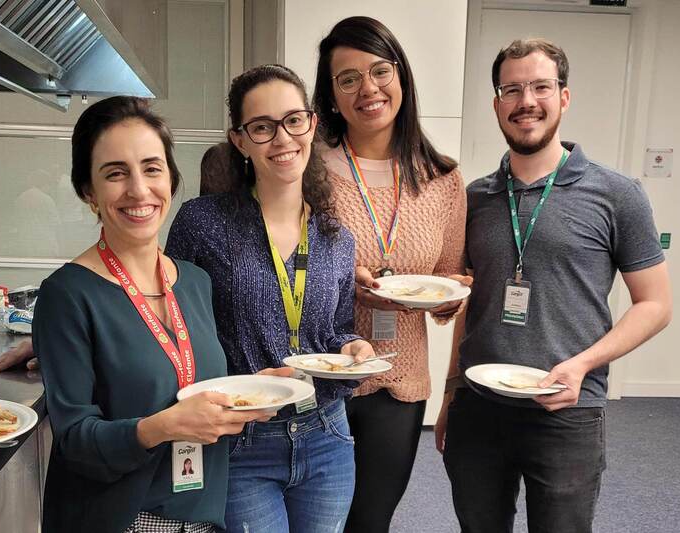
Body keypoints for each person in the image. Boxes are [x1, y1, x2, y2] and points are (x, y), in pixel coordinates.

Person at [435, 38, 673, 533]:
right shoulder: (474, 198)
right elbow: (467, 304)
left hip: (567, 409)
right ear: (496, 103)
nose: (526, 101)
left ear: (564, 97)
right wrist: (450, 396)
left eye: (541, 86)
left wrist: (584, 364)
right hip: (478, 409)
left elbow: (656, 304)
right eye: (512, 89)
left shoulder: (617, 195)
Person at [32, 96, 272, 533]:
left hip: (203, 517)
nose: (139, 190)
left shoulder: (195, 282)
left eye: (151, 168)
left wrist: (256, 388)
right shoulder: (66, 295)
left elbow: (194, 382)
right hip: (123, 520)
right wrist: (157, 428)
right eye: (116, 173)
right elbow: (74, 439)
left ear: (172, 179)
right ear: (89, 192)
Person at [165, 64, 374, 533]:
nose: (282, 138)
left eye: (293, 120)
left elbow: (335, 329)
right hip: (243, 437)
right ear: (239, 140)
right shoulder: (202, 222)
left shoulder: (336, 237)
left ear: (312, 124)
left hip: (327, 433)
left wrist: (352, 347)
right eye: (262, 127)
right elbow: (164, 319)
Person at [311, 16, 470, 533]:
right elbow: (278, 263)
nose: (368, 89)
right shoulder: (308, 170)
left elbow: (449, 280)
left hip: (402, 377)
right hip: (322, 370)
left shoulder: (443, 179)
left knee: (370, 520)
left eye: (380, 71)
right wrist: (338, 278)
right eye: (348, 78)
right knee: (312, 519)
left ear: (401, 78)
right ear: (331, 96)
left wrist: (448, 299)